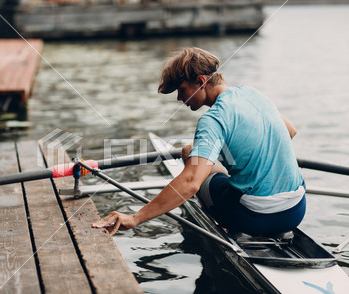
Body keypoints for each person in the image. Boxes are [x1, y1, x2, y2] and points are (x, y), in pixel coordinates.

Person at [92, 47, 305, 236]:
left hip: (254, 218)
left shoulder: (213, 119)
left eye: (181, 90)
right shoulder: (252, 93)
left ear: (201, 81)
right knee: (205, 158)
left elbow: (190, 183)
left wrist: (135, 218)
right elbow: (291, 131)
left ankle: (217, 220)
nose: (179, 99)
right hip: (296, 210)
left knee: (188, 152)